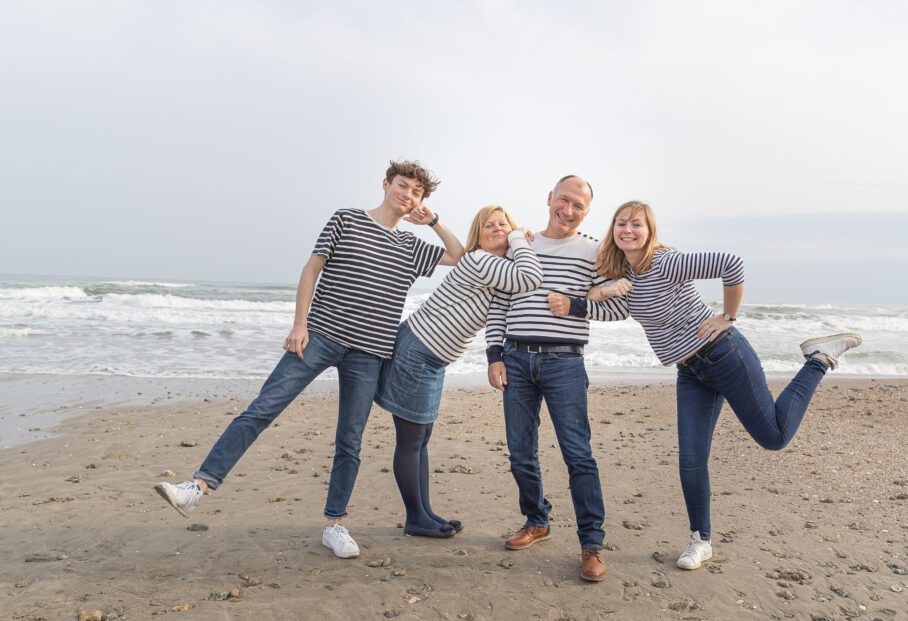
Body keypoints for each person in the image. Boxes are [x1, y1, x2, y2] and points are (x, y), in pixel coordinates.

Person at [154, 160, 465, 559]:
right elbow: (311, 269)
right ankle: (197, 487)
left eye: (417, 193)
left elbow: (457, 255)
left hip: (369, 354)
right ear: (386, 185)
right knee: (262, 408)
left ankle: (335, 524)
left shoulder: (411, 246)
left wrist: (434, 220)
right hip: (318, 336)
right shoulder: (347, 219)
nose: (408, 196)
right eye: (403, 187)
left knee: (349, 440)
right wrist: (299, 325)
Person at [573, 200, 861, 570]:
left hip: (725, 355)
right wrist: (600, 291)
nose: (628, 230)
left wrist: (728, 316)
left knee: (773, 437)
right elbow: (598, 289)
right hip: (690, 373)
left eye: (636, 224)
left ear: (650, 230)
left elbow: (731, 264)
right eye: (621, 223)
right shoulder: (624, 273)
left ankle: (819, 359)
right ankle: (700, 540)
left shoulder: (665, 262)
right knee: (691, 459)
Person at [485, 176, 628, 583]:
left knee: (578, 454)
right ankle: (537, 521)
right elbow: (500, 302)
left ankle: (591, 545)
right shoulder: (520, 245)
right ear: (549, 199)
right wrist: (494, 355)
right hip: (515, 359)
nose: (568, 210)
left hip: (564, 362)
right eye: (563, 200)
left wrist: (576, 305)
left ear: (586, 212)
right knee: (520, 451)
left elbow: (619, 309)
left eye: (578, 206)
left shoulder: (594, 252)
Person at [375, 206, 543, 538]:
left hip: (432, 357)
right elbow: (531, 277)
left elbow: (504, 309)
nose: (497, 228)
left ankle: (424, 513)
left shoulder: (498, 268)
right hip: (418, 349)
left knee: (421, 440)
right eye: (489, 225)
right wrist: (516, 236)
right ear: (478, 236)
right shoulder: (481, 260)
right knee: (410, 441)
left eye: (502, 224)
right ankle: (415, 518)